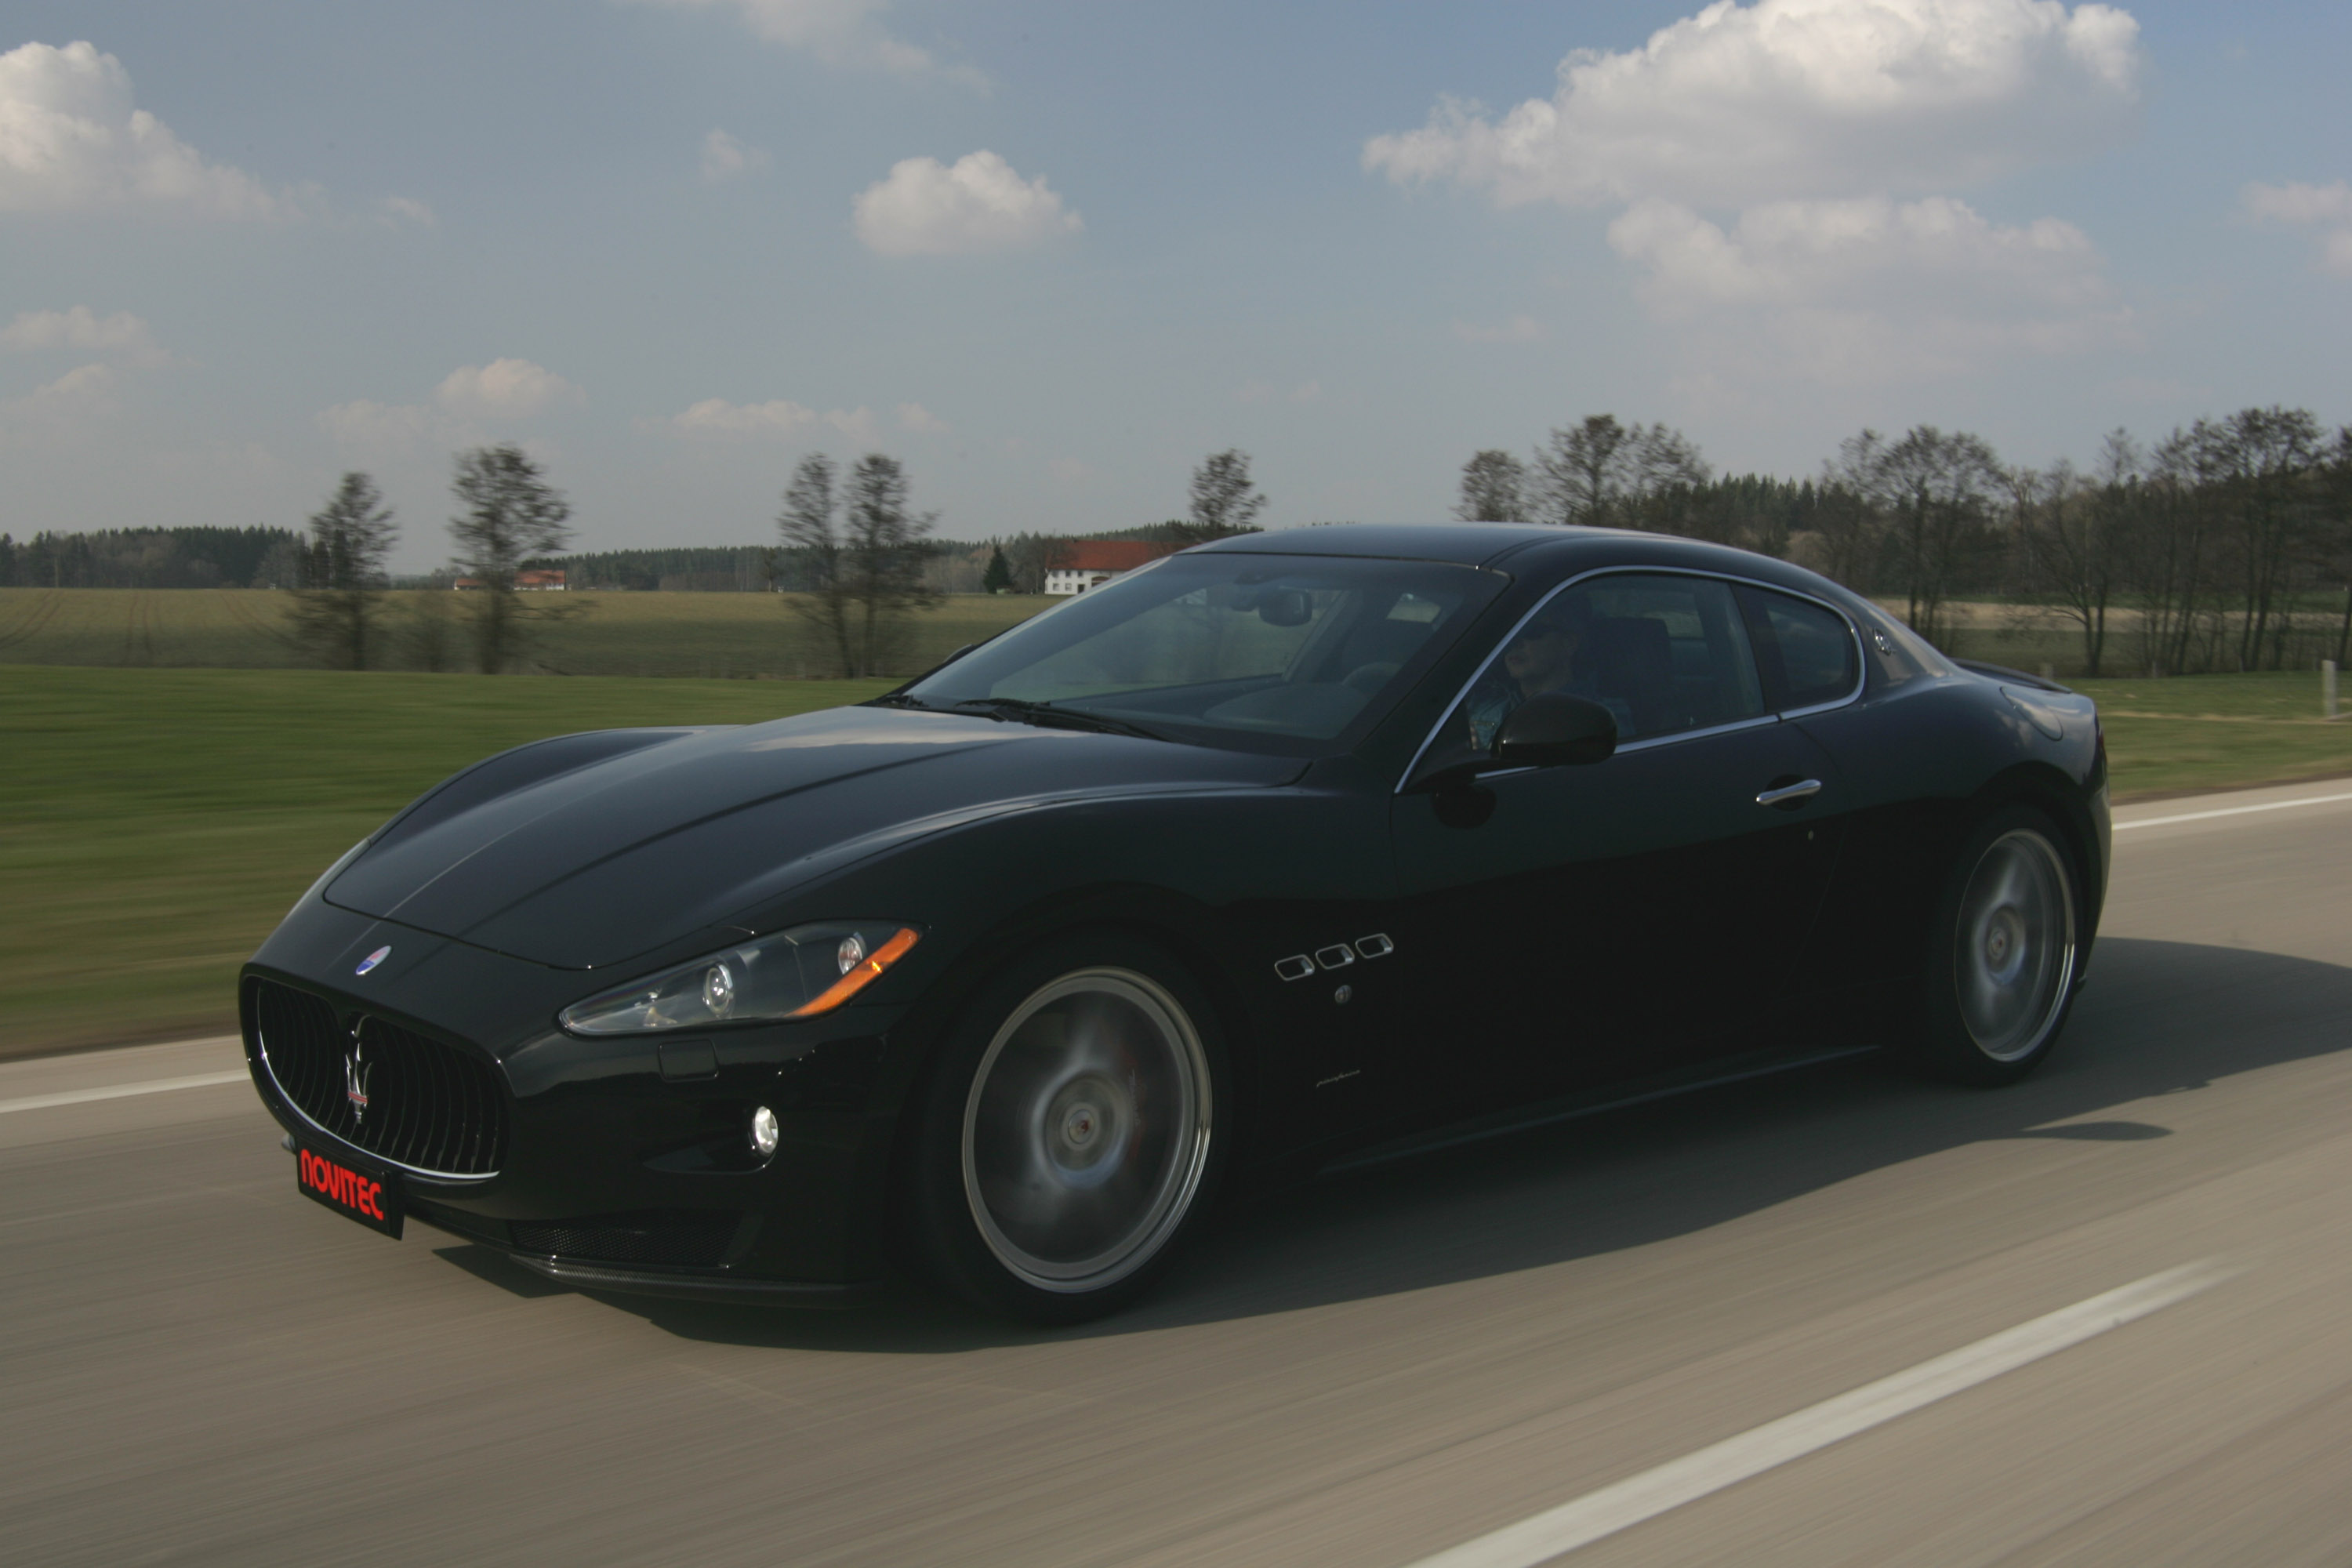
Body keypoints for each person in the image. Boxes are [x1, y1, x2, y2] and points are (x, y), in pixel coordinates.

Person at [1461, 595, 1633, 751]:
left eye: (1532, 632)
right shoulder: (1480, 704)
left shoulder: (1600, 718)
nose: (1515, 643)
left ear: (1569, 644)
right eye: (1510, 634)